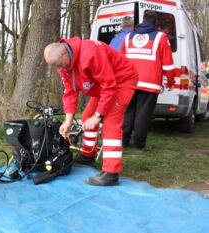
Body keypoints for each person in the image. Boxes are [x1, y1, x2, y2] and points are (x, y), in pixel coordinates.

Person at [44, 37, 138, 186]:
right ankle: (88, 155)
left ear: (64, 53)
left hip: (121, 81)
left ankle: (111, 173)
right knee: (87, 116)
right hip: (104, 86)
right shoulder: (64, 66)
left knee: (110, 123)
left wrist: (98, 115)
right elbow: (69, 92)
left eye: (60, 65)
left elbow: (109, 85)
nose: (60, 69)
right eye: (57, 67)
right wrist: (68, 121)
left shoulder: (91, 53)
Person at [121, 11, 175, 150]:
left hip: (129, 81)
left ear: (143, 20)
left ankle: (124, 140)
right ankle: (139, 144)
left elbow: (121, 61)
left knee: (128, 112)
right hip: (149, 81)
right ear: (156, 22)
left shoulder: (129, 37)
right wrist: (170, 81)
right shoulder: (160, 37)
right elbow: (168, 64)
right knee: (143, 114)